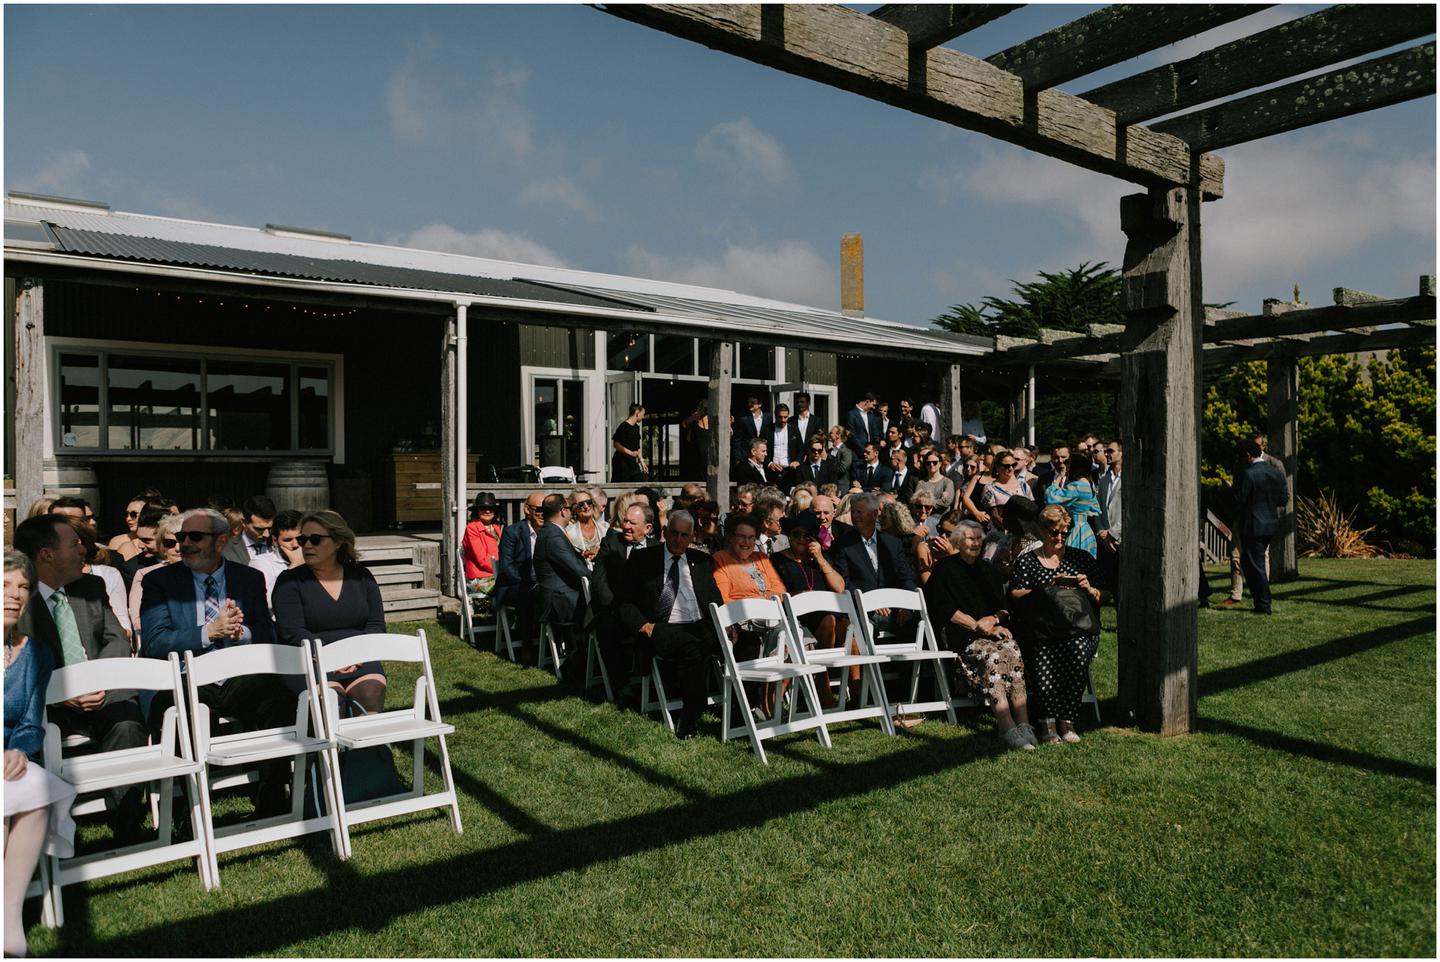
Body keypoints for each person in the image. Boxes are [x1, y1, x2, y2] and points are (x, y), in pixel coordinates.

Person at [140, 508, 294, 814]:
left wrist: (242, 632)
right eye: (182, 536)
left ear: (221, 541)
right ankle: (188, 813)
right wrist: (208, 632)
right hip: (187, 678)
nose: (185, 544)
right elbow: (155, 642)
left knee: (278, 699)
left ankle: (272, 800)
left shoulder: (248, 578)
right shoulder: (160, 582)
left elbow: (267, 631)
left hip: (237, 676)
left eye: (195, 537)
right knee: (189, 714)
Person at [14, 515, 148, 840]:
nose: (84, 550)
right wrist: (61, 694)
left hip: (101, 692)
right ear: (46, 555)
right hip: (45, 706)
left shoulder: (90, 587)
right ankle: (42, 832)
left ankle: (129, 825)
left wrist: (95, 681)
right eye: (74, 544)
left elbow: (117, 640)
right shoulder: (15, 601)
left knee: (127, 721)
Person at [4, 551, 76, 957]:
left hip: (8, 757)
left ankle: (9, 916)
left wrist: (18, 750)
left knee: (34, 788)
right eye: (4, 585)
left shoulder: (35, 652)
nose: (15, 595)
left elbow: (32, 722)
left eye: (23, 587)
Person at [924, 521, 1034, 751]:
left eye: (978, 538)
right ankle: (1006, 726)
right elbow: (944, 609)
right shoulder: (945, 569)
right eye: (969, 538)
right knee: (993, 655)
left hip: (991, 633)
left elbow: (1004, 608)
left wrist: (993, 620)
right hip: (961, 636)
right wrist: (978, 626)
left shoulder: (988, 570)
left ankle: (1024, 724)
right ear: (957, 541)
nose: (975, 543)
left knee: (1012, 648)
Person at [616, 510, 724, 739]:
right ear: (664, 532)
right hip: (662, 627)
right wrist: (644, 625)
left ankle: (743, 709)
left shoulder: (702, 561)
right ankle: (690, 717)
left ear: (692, 536)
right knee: (693, 647)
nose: (678, 539)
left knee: (747, 644)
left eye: (684, 535)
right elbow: (623, 602)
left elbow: (715, 599)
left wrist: (728, 626)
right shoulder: (643, 560)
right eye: (674, 533)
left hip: (700, 625)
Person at [272, 510, 387, 713]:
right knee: (332, 701)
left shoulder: (362, 576)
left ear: (338, 542)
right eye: (303, 539)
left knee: (370, 693)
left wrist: (359, 653)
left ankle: (368, 735)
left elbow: (376, 625)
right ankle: (329, 735)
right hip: (310, 658)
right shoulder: (289, 582)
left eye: (315, 539)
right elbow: (293, 633)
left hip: (359, 657)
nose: (306, 545)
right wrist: (332, 656)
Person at [1008, 505, 1103, 745]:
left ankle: (1067, 719)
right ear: (1042, 530)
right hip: (1041, 627)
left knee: (1078, 651)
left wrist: (1089, 588)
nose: (1059, 538)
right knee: (1043, 652)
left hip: (1077, 627)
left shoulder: (1081, 559)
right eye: (1054, 532)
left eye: (1064, 533)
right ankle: (1047, 721)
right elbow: (1015, 594)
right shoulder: (1027, 561)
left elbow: (1105, 595)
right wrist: (1043, 590)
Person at [531, 494, 591, 676]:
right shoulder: (553, 536)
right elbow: (578, 571)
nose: (571, 512)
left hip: (561, 593)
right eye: (570, 509)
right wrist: (597, 575)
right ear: (563, 511)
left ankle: (589, 660)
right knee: (600, 610)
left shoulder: (551, 532)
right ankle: (583, 663)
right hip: (558, 599)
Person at [1233, 439, 1289, 615]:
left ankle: (1264, 604)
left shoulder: (1247, 474)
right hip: (1270, 524)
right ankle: (1261, 602)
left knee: (1254, 565)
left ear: (1248, 455)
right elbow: (1283, 499)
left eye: (1241, 457)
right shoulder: (1275, 472)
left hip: (1253, 525)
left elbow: (1239, 501)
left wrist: (1230, 491)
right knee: (1255, 563)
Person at [493, 491, 546, 660]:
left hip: (542, 583)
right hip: (514, 584)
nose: (542, 514)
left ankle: (560, 640)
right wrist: (528, 583)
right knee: (528, 593)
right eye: (538, 509)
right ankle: (527, 643)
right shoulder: (512, 532)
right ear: (527, 510)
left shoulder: (549, 532)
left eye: (546, 510)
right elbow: (507, 568)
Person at [129, 511, 185, 643]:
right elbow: (138, 621)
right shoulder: (145, 575)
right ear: (162, 547)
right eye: (170, 543)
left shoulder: (205, 573)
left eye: (182, 541)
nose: (177, 548)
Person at [711, 514, 785, 605]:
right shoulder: (720, 559)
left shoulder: (762, 558)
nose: (747, 542)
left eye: (751, 537)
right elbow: (723, 599)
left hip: (772, 610)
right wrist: (759, 601)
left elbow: (781, 591)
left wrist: (763, 598)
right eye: (741, 536)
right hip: (740, 613)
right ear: (730, 537)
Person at [1043, 443, 1100, 557]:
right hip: (1085, 528)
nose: (1066, 465)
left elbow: (1051, 498)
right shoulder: (1088, 482)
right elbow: (1094, 508)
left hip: (1074, 529)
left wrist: (1059, 477)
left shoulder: (1077, 485)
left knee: (1072, 560)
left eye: (1068, 462)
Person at [250, 509, 304, 608]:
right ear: (275, 540)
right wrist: (295, 566)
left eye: (300, 539)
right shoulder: (261, 563)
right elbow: (266, 602)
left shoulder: (315, 560)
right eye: (288, 540)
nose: (295, 545)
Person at [1090, 440, 1124, 594]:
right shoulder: (1104, 479)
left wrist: (1112, 533)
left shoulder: (1130, 479)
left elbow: (1129, 511)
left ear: (1122, 453)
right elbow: (1098, 508)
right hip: (1105, 540)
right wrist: (1102, 533)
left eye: (1111, 451)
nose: (1106, 454)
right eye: (1106, 451)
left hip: (1122, 537)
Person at [970, 450, 1033, 532]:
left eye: (1013, 465)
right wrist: (1012, 530)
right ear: (997, 467)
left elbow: (1031, 508)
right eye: (1006, 466)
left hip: (1024, 531)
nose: (1010, 468)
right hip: (1001, 533)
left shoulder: (1024, 486)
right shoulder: (990, 489)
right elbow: (993, 514)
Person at [106, 489, 163, 561]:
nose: (128, 518)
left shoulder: (163, 540)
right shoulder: (117, 542)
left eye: (134, 514)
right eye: (126, 514)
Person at [222, 495, 277, 564]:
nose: (267, 534)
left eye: (270, 528)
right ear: (244, 522)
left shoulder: (281, 544)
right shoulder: (226, 548)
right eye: (259, 529)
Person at [564, 488, 608, 564]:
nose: (586, 506)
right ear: (574, 508)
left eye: (589, 502)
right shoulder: (568, 532)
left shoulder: (605, 528)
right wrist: (584, 554)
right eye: (581, 504)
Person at [611, 404, 647, 483]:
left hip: (632, 462)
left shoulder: (636, 428)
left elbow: (637, 447)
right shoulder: (623, 427)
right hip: (621, 462)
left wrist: (642, 461)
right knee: (622, 485)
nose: (643, 417)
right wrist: (631, 453)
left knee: (639, 480)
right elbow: (616, 444)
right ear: (637, 413)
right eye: (643, 414)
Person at [913, 449, 955, 513]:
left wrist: (926, 502)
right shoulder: (921, 483)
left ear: (940, 463)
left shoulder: (948, 482)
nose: (931, 465)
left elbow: (946, 502)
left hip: (942, 516)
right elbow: (917, 502)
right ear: (925, 465)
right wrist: (939, 500)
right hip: (925, 515)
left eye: (935, 462)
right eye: (928, 463)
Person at [679, 399, 710, 482]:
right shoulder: (694, 420)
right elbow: (684, 424)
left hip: (707, 459)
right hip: (697, 459)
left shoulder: (714, 422)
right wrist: (692, 418)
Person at [844, 394, 876, 459]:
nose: (874, 408)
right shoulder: (851, 414)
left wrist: (875, 449)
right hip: (858, 455)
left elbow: (875, 433)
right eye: (873, 405)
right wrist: (864, 451)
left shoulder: (871, 415)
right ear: (867, 402)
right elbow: (852, 436)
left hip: (871, 455)